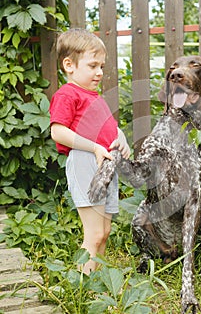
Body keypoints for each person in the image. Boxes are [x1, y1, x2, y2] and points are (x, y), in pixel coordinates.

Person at [49, 28, 130, 275]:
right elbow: (58, 132)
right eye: (93, 66)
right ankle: (82, 287)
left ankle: (97, 284)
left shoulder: (94, 97)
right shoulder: (67, 94)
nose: (100, 72)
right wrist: (94, 146)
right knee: (94, 234)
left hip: (105, 164)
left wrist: (122, 139)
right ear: (69, 65)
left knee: (104, 233)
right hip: (86, 162)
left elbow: (109, 127)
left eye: (102, 66)